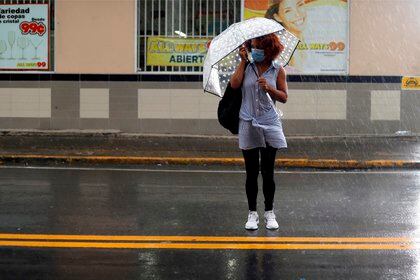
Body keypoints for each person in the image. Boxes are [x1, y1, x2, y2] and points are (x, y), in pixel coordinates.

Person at [230, 34, 288, 230]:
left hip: (270, 123)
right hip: (248, 122)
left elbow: (284, 97)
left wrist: (269, 88)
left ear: (269, 49)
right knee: (251, 172)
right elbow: (234, 84)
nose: (255, 50)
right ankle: (252, 213)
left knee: (268, 172)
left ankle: (269, 213)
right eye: (252, 46)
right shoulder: (247, 67)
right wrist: (242, 62)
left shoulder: (278, 70)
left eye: (258, 47)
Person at [265, 0, 307, 72]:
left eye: (300, 5)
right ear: (277, 17)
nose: (297, 14)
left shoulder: (307, 39)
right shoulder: (279, 49)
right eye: (288, 11)